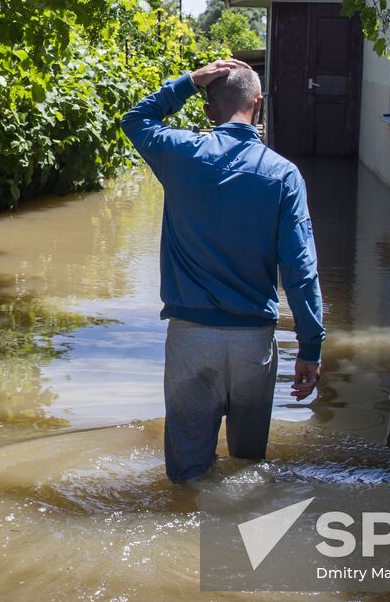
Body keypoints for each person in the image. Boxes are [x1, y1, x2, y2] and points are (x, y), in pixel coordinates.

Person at [120, 59, 326, 483]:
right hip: (254, 343)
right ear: (259, 102)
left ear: (209, 110)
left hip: (191, 338)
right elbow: (301, 272)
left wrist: (189, 82)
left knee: (187, 473)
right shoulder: (284, 176)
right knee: (246, 472)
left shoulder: (181, 154)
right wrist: (310, 346)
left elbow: (135, 119)